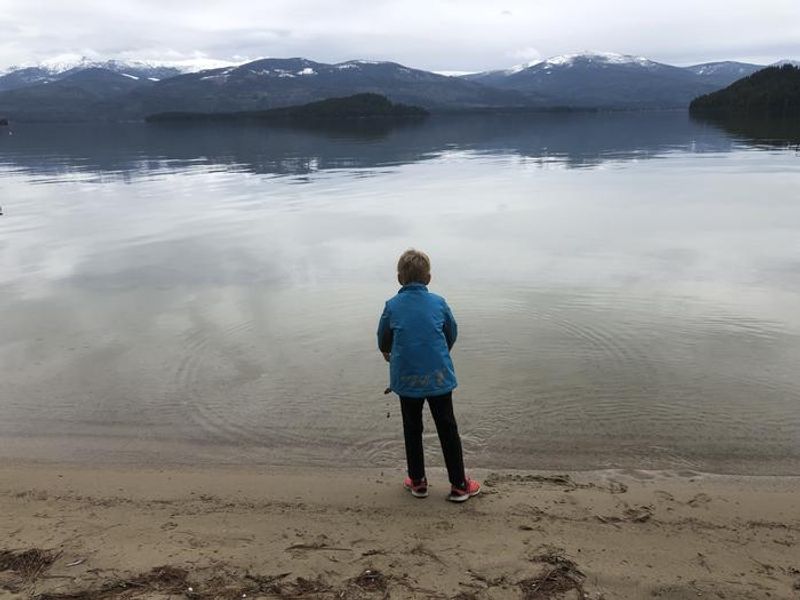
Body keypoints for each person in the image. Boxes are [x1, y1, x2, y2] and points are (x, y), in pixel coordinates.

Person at [377, 249, 481, 502]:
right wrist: (442, 350)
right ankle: (459, 484)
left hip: (407, 378)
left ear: (400, 278)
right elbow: (452, 331)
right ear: (429, 278)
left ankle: (418, 481)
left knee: (412, 428)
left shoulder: (392, 305)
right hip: (438, 377)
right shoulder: (439, 302)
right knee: (447, 427)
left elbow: (383, 338)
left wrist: (387, 352)